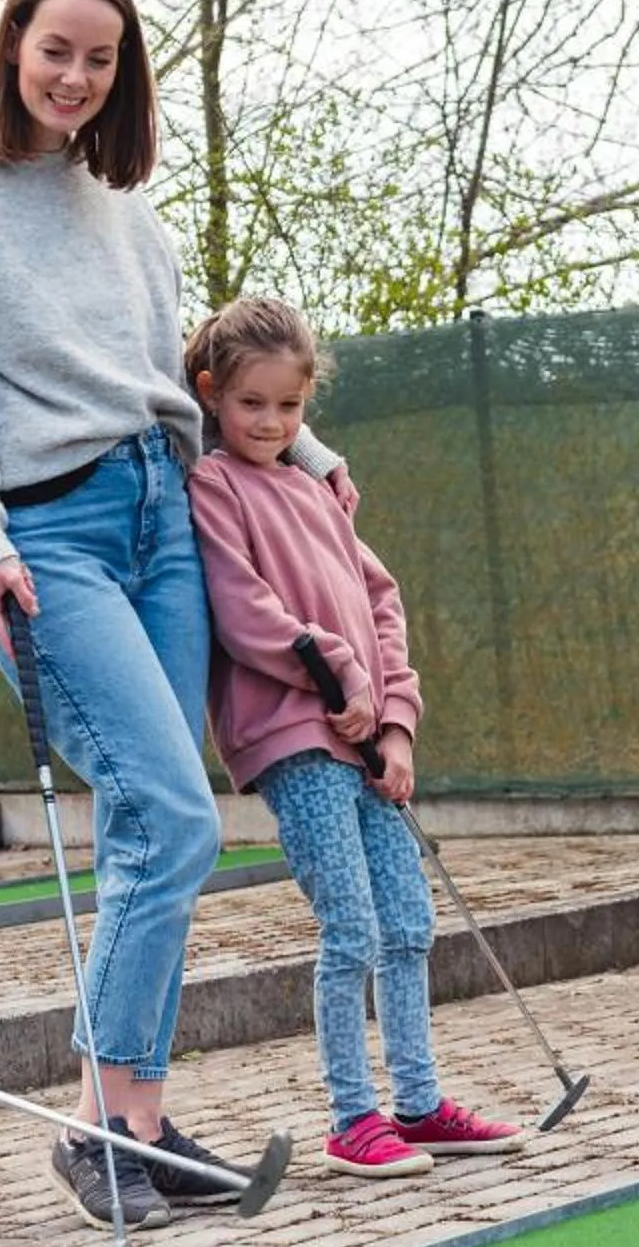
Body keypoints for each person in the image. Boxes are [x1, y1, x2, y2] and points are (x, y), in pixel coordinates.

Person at [0, 0, 331, 1230]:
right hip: (50, 535)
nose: (77, 75)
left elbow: (178, 387)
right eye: (56, 50)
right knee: (172, 811)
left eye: (102, 56)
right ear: (12, 46)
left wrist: (299, 449)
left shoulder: (132, 217)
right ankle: (97, 1121)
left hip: (163, 518)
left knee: (158, 831)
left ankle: (139, 1121)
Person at [181, 295, 523, 1176]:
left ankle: (416, 1104)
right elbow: (245, 611)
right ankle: (352, 1117)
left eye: (288, 407)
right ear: (214, 393)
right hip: (295, 737)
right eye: (251, 404)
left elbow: (383, 599)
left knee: (409, 921)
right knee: (352, 929)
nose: (269, 422)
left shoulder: (315, 488)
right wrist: (337, 673)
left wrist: (396, 723)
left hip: (368, 737)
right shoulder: (215, 486)